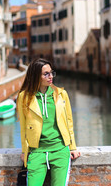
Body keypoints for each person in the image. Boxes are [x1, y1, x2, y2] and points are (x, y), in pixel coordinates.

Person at [17, 58, 80, 186]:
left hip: (60, 150)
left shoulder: (61, 95)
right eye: (46, 74)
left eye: (51, 73)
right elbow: (23, 127)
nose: (51, 76)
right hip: (37, 152)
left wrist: (72, 147)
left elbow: (69, 122)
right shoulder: (24, 97)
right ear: (35, 76)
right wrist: (25, 151)